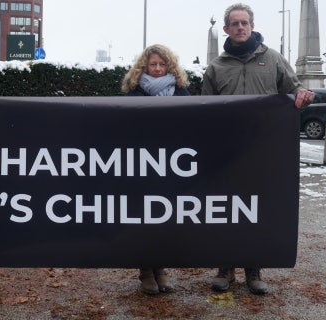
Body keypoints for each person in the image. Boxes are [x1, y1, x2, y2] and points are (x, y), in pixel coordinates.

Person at [201, 3, 314, 295]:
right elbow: (203, 111)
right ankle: (225, 268)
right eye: (235, 23)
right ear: (226, 29)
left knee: (256, 208)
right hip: (227, 152)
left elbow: (295, 89)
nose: (240, 28)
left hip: (263, 150)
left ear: (252, 26)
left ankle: (253, 269)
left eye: (245, 23)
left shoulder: (274, 59)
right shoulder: (216, 67)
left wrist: (303, 94)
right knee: (225, 209)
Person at [120, 43, 190, 295]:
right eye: (153, 64)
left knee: (166, 218)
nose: (158, 69)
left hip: (174, 166)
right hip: (142, 167)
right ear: (144, 67)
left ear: (169, 66)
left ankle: (162, 269)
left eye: (162, 64)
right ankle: (146, 270)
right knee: (143, 219)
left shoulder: (182, 93)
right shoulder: (134, 94)